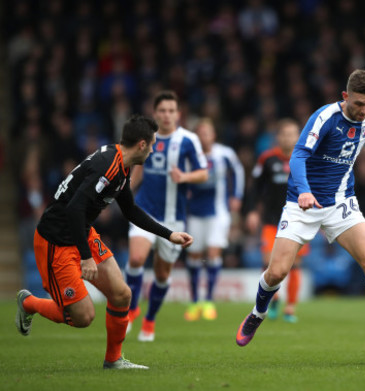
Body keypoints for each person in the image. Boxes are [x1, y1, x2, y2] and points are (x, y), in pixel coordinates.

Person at [235, 69, 365, 347]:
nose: (364, 110)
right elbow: (299, 154)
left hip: (341, 204)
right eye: (359, 103)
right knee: (276, 273)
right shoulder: (325, 118)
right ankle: (257, 313)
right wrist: (305, 191)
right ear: (345, 96)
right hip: (303, 204)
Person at [15, 115, 194, 369]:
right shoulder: (108, 165)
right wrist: (86, 256)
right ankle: (29, 303)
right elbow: (73, 209)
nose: (153, 149)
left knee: (122, 294)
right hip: (55, 242)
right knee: (84, 317)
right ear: (141, 144)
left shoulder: (122, 164)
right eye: (152, 144)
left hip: (81, 231)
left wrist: (169, 235)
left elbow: (130, 210)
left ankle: (113, 360)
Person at [125, 91, 208, 341]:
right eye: (162, 110)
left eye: (171, 110)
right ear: (155, 114)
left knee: (162, 275)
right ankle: (130, 310)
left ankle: (149, 320)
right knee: (137, 258)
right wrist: (123, 191)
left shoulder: (188, 140)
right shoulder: (145, 138)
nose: (167, 115)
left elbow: (203, 173)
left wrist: (184, 177)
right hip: (144, 209)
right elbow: (138, 171)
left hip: (173, 219)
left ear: (178, 114)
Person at [245, 118, 306, 323]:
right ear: (278, 137)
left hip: (299, 219)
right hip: (272, 221)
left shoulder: (305, 158)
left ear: (298, 136)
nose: (288, 137)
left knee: (295, 264)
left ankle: (290, 307)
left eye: (292, 133)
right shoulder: (267, 159)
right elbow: (255, 187)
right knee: (269, 262)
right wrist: (252, 211)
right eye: (284, 134)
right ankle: (274, 299)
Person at [184, 118, 244, 321]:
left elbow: (238, 171)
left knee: (213, 252)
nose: (204, 137)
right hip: (194, 212)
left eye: (207, 133)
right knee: (194, 256)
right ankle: (194, 302)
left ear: (214, 135)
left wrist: (236, 195)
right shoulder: (189, 155)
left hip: (218, 212)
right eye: (200, 134)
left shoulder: (224, 153)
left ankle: (208, 301)